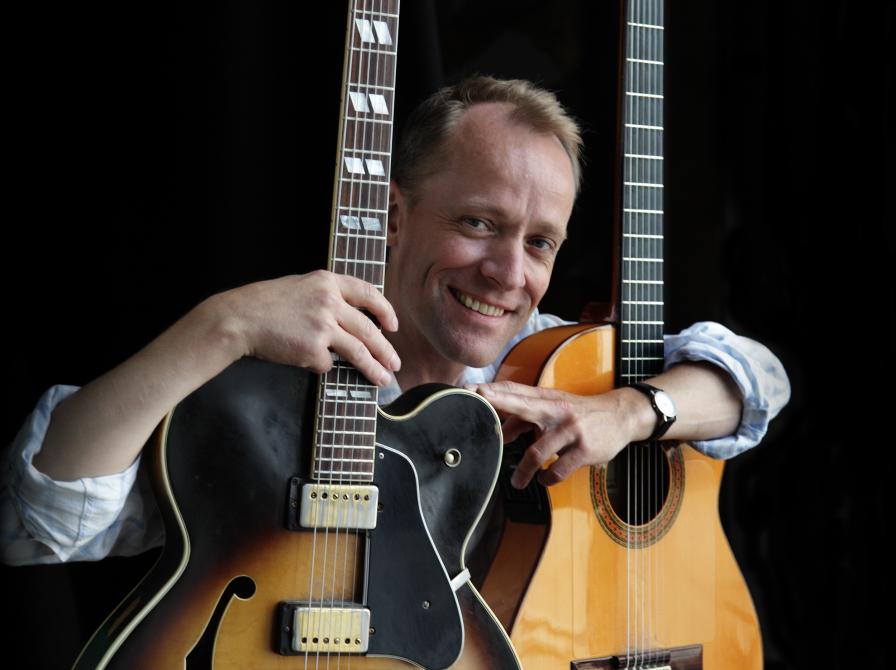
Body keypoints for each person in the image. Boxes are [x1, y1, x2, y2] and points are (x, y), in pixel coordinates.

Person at [1, 76, 790, 566]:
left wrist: (629, 411)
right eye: (478, 223)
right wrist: (222, 325)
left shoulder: (546, 365)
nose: (508, 274)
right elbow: (40, 523)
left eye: (539, 242)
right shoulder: (265, 383)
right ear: (393, 217)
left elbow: (759, 381)